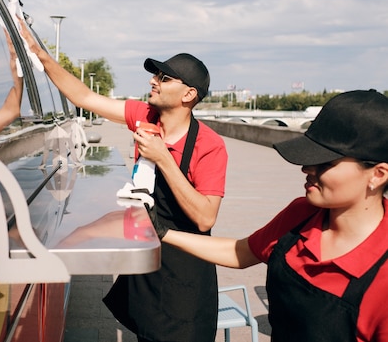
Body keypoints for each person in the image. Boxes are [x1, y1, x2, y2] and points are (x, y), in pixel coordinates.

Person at [19, 21, 228, 342]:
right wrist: (41, 57)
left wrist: (162, 158)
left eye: (164, 77)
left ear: (189, 94)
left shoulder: (210, 145)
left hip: (184, 276)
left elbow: (205, 217)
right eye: (156, 75)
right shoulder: (145, 115)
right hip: (146, 265)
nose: (153, 81)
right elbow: (85, 97)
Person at [148, 89, 388, 341]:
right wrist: (162, 232)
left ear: (378, 175)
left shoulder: (382, 277)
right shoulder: (301, 214)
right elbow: (239, 253)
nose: (306, 168)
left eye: (325, 162)